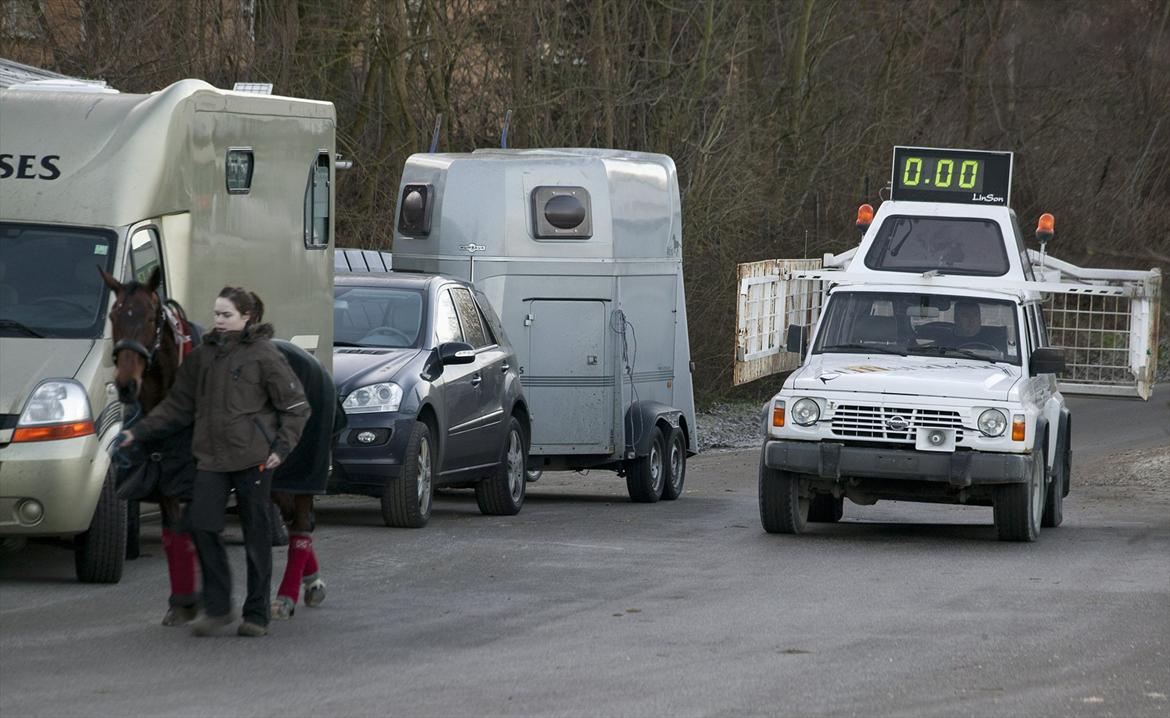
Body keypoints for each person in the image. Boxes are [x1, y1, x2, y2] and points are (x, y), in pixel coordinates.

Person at [120, 287, 310, 637]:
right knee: (202, 526)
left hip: (253, 459)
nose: (218, 321)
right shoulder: (203, 357)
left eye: (226, 315)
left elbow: (296, 406)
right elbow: (177, 405)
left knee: (256, 536)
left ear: (246, 317)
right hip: (209, 459)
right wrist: (139, 432)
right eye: (216, 314)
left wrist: (280, 449)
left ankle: (255, 614)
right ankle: (219, 608)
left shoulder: (264, 355)